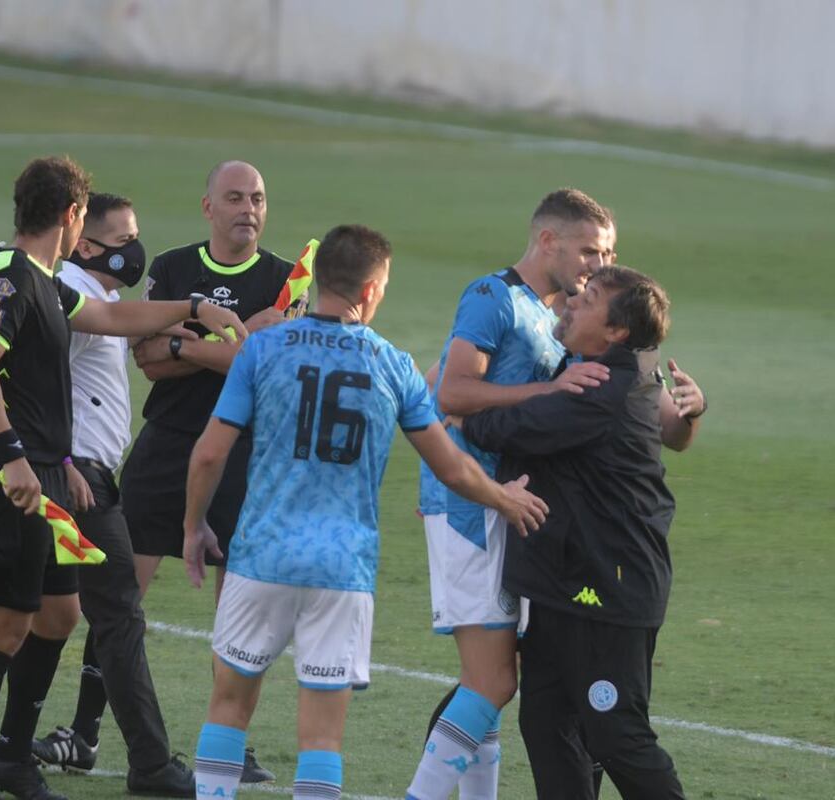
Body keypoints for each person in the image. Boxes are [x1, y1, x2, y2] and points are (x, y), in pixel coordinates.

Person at [183, 224, 548, 800]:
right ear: (373, 289)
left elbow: (208, 454)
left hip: (260, 555)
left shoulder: (262, 348)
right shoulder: (394, 365)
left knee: (228, 705)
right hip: (342, 569)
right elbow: (451, 467)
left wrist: (194, 525)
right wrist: (507, 498)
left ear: (318, 280)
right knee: (322, 739)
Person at [0, 156, 247, 800]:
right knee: (12, 622)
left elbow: (111, 318)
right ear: (74, 216)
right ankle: (114, 763)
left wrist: (192, 306)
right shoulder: (10, 275)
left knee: (52, 617)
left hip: (52, 475)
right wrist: (11, 455)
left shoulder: (49, 283)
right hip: (20, 478)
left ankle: (12, 755)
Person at [407, 188, 614, 800]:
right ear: (548, 240)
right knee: (492, 680)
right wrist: (551, 393)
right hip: (469, 505)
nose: (597, 267)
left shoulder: (555, 316)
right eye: (588, 251)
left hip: (510, 506)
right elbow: (453, 394)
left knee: (494, 678)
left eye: (607, 255)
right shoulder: (490, 297)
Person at [459, 266, 689, 798]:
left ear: (616, 333)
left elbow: (513, 428)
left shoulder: (601, 391)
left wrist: (463, 415)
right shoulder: (613, 366)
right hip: (569, 584)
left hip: (609, 589)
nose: (569, 304)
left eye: (586, 302)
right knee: (547, 723)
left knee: (615, 733)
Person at [122, 159, 304, 783]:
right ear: (208, 207)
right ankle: (85, 727)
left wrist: (190, 343)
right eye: (234, 198)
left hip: (243, 454)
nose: (247, 209)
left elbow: (266, 368)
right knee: (121, 596)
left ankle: (232, 746)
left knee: (239, 611)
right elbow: (146, 358)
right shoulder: (172, 269)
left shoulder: (284, 280)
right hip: (166, 445)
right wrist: (236, 343)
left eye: (257, 197)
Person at [24, 193, 195, 796]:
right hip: (77, 481)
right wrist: (65, 459)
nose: (136, 248)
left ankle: (11, 750)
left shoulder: (101, 296)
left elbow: (139, 326)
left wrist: (206, 325)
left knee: (45, 615)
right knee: (119, 615)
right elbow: (36, 381)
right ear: (88, 243)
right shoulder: (66, 288)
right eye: (125, 238)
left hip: (78, 477)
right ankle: (150, 763)